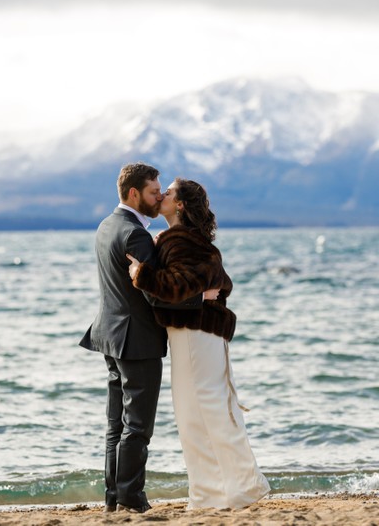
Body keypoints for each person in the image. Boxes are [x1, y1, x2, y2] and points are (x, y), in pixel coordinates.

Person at [126, 178, 270, 510]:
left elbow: (181, 284)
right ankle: (218, 492)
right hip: (198, 334)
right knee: (201, 413)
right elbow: (214, 280)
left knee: (203, 413)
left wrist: (142, 274)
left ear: (180, 206)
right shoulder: (181, 239)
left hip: (195, 334)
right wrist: (200, 292)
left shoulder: (182, 241)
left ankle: (228, 491)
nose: (162, 194)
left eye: (170, 192)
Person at [79, 163, 211, 514]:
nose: (159, 197)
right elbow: (156, 292)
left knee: (116, 425)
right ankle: (131, 497)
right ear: (134, 193)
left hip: (108, 335)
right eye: (154, 191)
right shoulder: (135, 234)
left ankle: (114, 497)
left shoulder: (107, 225)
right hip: (136, 341)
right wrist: (201, 298)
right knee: (137, 426)